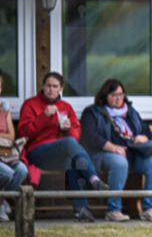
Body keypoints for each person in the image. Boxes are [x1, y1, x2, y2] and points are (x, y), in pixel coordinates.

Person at [18, 72, 109, 222]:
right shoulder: (30, 104)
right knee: (68, 143)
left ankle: (81, 210)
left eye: (55, 86)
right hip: (37, 153)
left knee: (71, 162)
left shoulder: (66, 107)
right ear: (43, 86)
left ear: (61, 88)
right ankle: (93, 179)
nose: (51, 89)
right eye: (48, 86)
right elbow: (24, 132)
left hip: (59, 156)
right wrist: (44, 117)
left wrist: (68, 129)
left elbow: (76, 136)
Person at [80, 78, 152, 222]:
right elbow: (90, 136)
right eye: (114, 95)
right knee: (120, 162)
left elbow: (147, 131)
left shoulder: (130, 111)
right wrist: (112, 147)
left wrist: (143, 137)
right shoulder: (92, 112)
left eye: (121, 94)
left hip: (133, 153)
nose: (118, 98)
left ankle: (149, 209)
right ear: (105, 95)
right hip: (104, 153)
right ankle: (113, 210)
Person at [1, 71, 29, 221]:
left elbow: (11, 137)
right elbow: (7, 136)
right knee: (6, 173)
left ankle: (1, 201)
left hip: (4, 154)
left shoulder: (4, 110)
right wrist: (3, 136)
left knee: (22, 169)